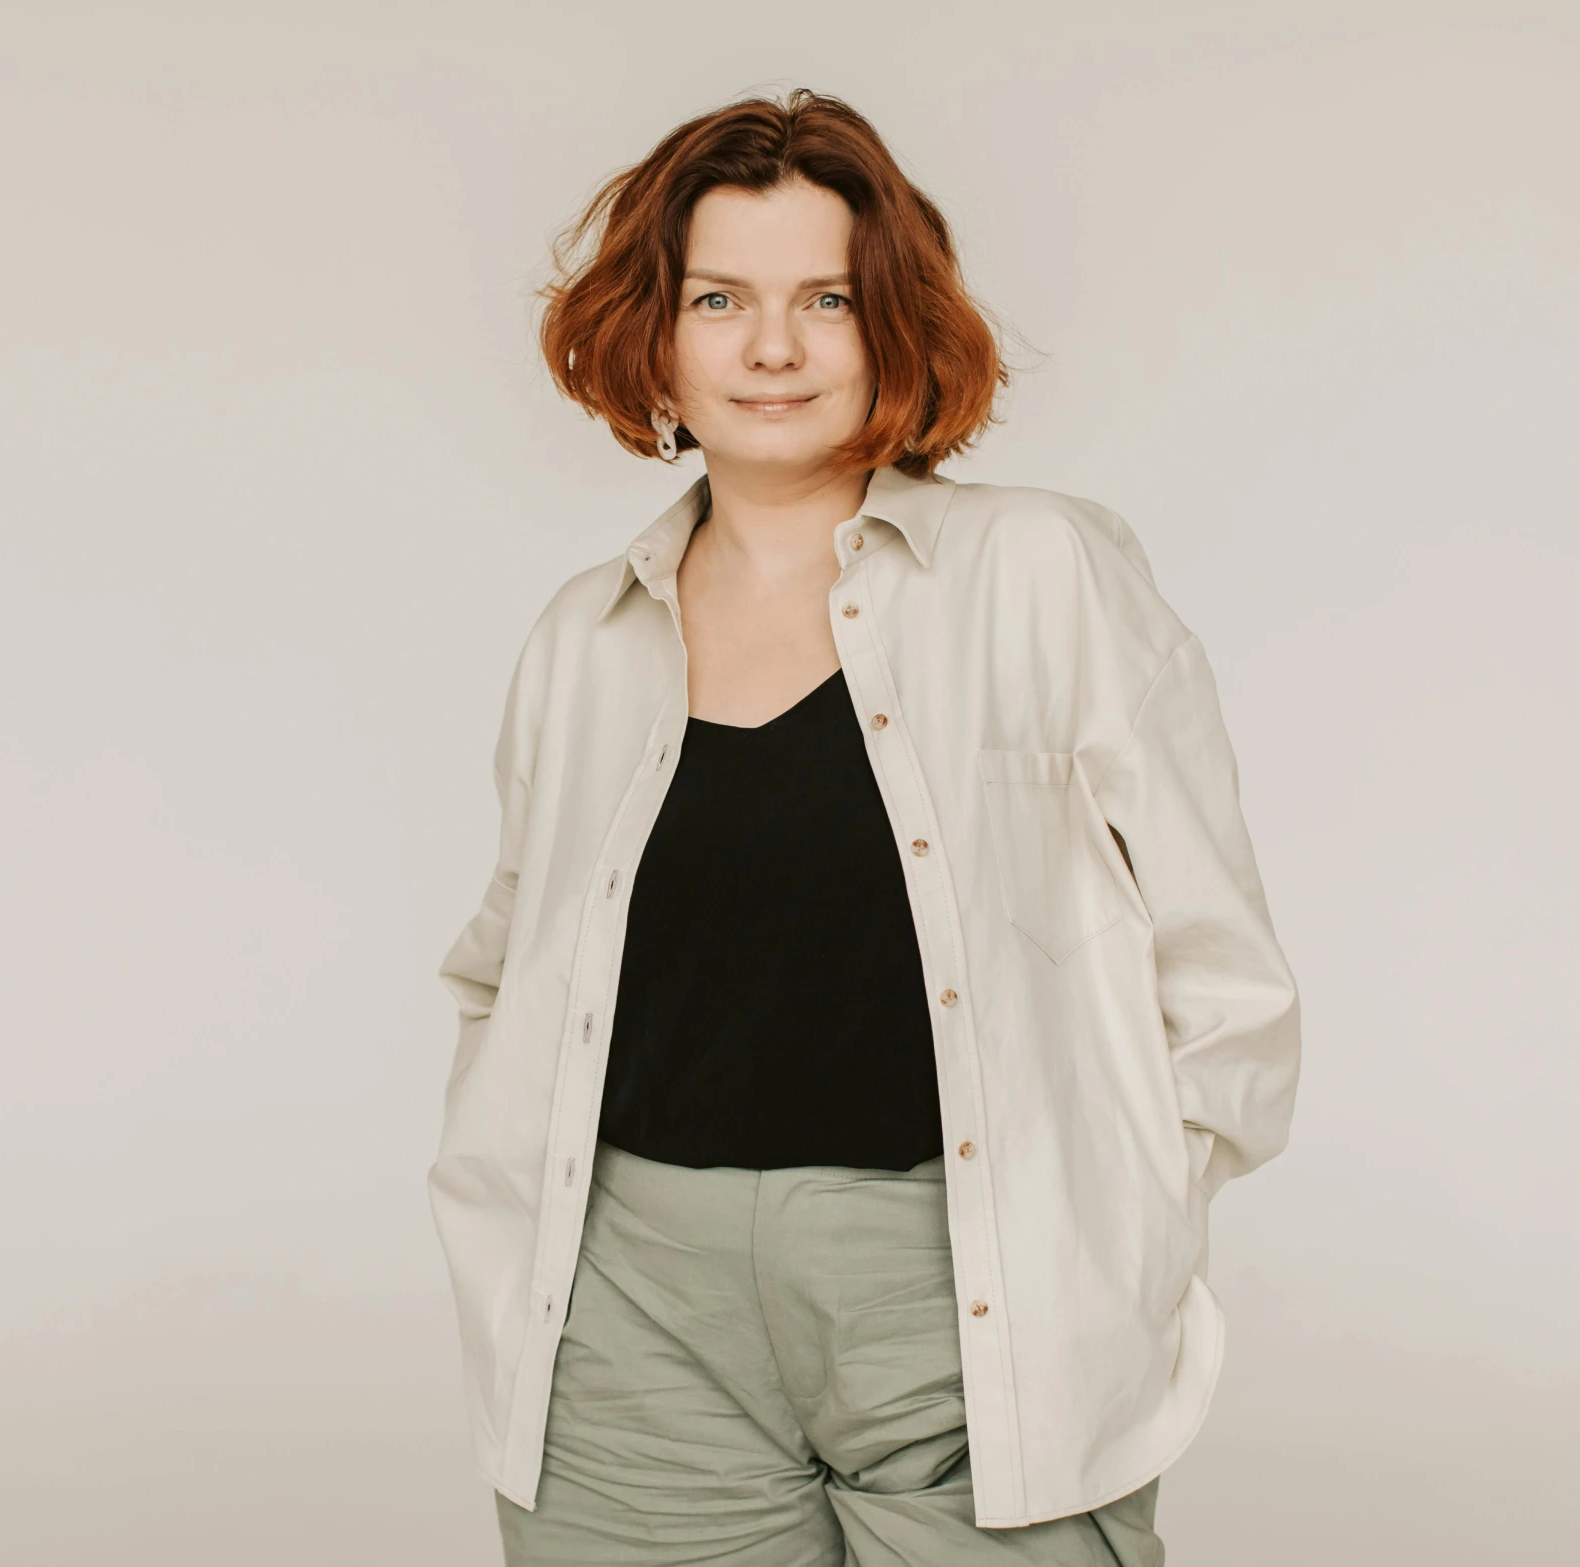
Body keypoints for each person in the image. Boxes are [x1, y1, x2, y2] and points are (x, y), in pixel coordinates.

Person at [430, 88, 1301, 1566]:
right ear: (652, 328)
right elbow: (501, 971)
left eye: (824, 299)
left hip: (967, 1282)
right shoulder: (582, 637)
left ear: (892, 322)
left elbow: (1223, 980)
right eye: (719, 298)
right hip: (633, 1305)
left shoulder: (1040, 572)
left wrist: (1113, 1222)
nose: (771, 348)